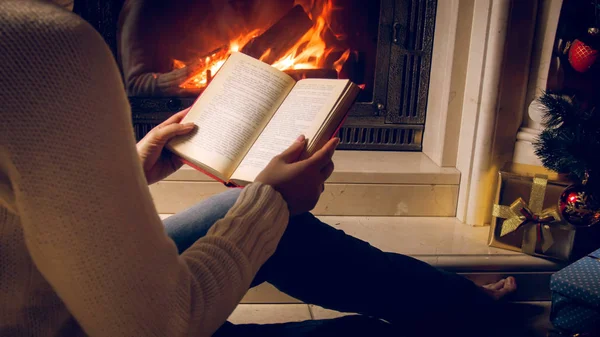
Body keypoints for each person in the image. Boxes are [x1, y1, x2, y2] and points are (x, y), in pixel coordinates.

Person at [0, 1, 520, 336]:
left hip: (52, 283)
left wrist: (130, 170)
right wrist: (271, 202)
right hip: (64, 322)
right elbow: (161, 325)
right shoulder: (41, 43)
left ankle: (465, 307)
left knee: (241, 209)